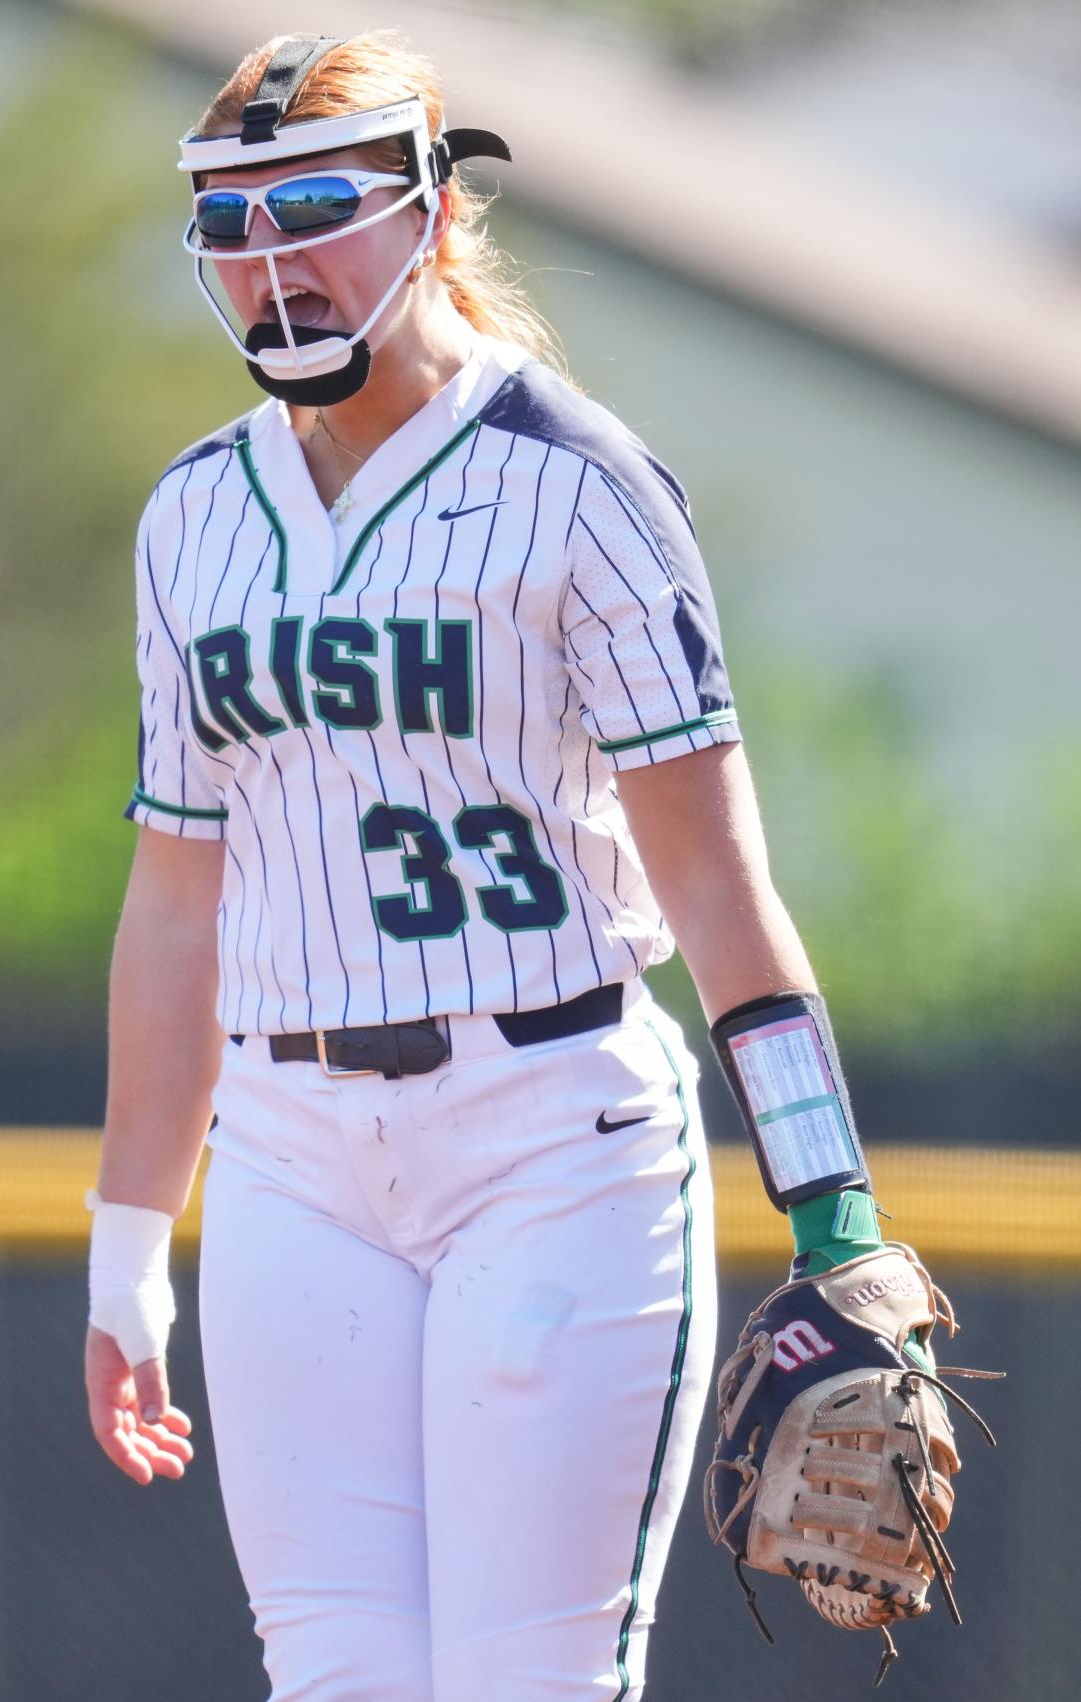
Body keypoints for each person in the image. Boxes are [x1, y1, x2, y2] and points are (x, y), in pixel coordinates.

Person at [84, 31, 888, 1702]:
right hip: (292, 1147)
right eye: (231, 227)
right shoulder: (193, 517)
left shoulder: (575, 484)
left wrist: (833, 1213)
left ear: (434, 209)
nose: (271, 263)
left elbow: (724, 887)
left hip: (552, 1132)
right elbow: (176, 907)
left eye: (313, 206)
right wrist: (124, 1247)